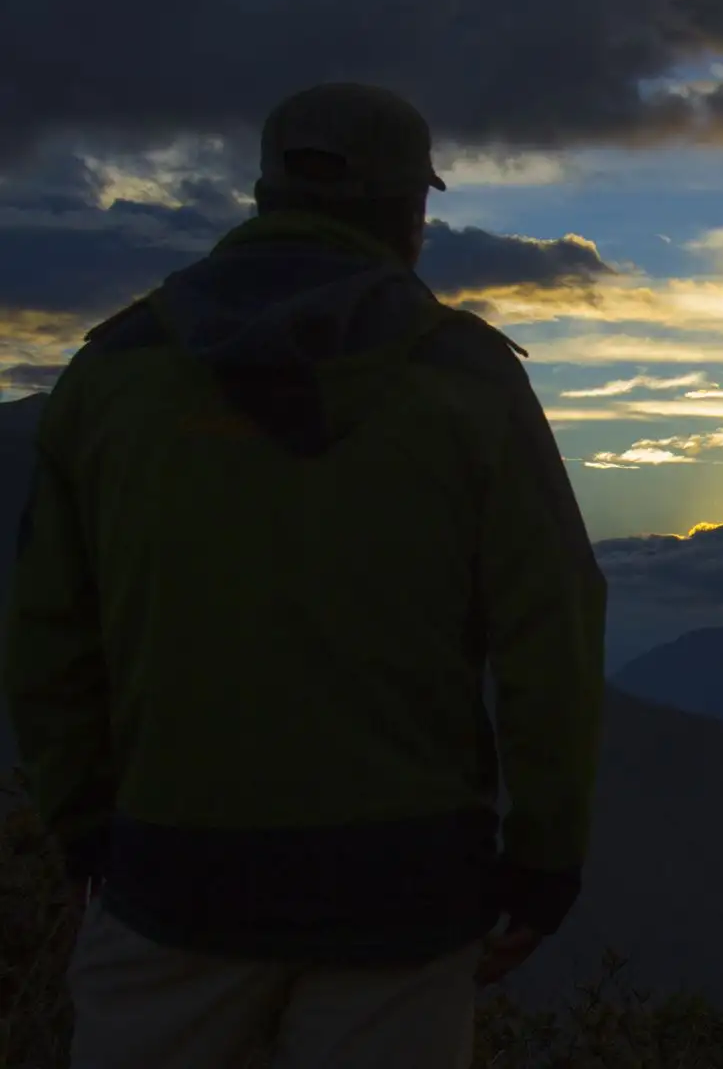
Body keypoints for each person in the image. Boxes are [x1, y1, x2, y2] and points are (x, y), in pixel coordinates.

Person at [1, 83, 607, 1067]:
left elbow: (46, 634)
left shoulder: (112, 376)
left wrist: (84, 830)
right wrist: (546, 860)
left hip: (166, 876)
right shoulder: (467, 381)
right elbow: (555, 634)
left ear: (261, 195)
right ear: (413, 213)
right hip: (403, 890)